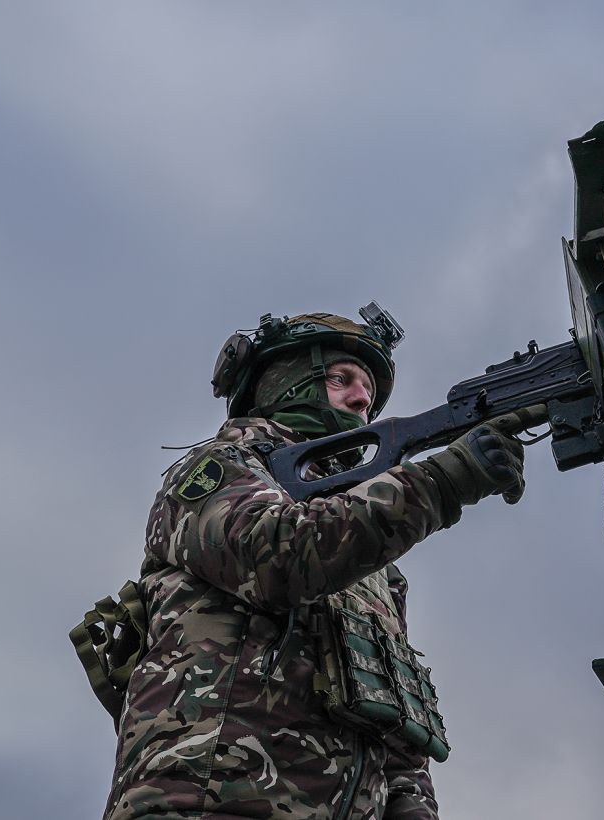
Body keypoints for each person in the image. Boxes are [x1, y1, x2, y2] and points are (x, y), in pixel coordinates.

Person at [101, 309, 534, 820]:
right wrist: (443, 481)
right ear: (286, 384)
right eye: (340, 379)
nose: (361, 399)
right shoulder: (213, 471)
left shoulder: (375, 569)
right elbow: (277, 555)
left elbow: (392, 710)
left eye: (367, 389)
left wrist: (410, 805)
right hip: (210, 802)